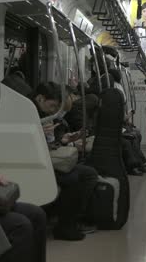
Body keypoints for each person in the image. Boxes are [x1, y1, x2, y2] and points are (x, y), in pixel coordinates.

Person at [32, 82, 99, 241]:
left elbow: (48, 145)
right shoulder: (28, 113)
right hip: (35, 163)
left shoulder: (43, 115)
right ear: (40, 99)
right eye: (52, 106)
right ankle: (64, 225)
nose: (54, 111)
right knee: (73, 178)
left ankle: (67, 219)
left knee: (89, 173)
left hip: (46, 159)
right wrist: (38, 132)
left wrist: (63, 140)